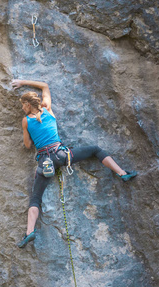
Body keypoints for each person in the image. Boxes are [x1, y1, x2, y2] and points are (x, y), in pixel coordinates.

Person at [11, 79, 137, 248]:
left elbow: (27, 145)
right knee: (95, 150)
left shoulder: (26, 121)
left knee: (35, 198)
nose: (22, 108)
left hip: (45, 163)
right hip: (62, 155)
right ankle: (122, 173)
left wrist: (29, 134)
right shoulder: (47, 109)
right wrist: (22, 82)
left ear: (27, 104)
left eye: (22, 105)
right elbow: (45, 86)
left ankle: (29, 232)